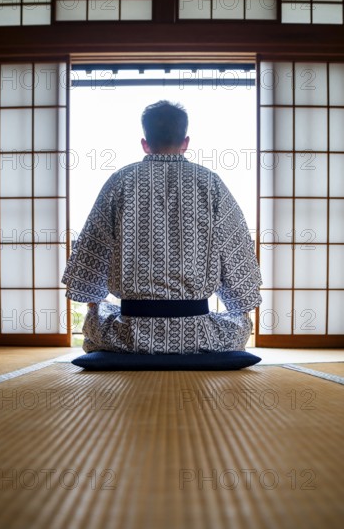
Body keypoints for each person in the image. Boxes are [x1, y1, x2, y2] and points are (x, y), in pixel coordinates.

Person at [62, 100, 262, 354]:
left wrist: (93, 305)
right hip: (198, 333)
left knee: (97, 320)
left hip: (129, 333)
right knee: (238, 324)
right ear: (185, 142)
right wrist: (240, 305)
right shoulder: (210, 183)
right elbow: (236, 250)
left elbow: (93, 246)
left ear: (145, 144)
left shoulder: (120, 181)